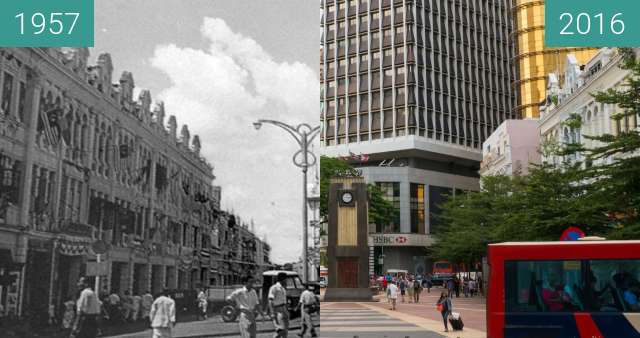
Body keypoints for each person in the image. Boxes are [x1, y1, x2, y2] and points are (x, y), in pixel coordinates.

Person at [268, 272, 289, 338]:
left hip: (284, 309)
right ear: (282, 279)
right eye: (286, 279)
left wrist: (286, 311)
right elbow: (270, 301)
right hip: (278, 310)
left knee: (285, 331)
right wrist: (272, 313)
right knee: (281, 330)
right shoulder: (274, 288)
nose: (286, 280)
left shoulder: (283, 288)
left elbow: (284, 301)